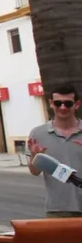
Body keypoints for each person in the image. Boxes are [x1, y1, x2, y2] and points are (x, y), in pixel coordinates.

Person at [27, 85, 82, 218]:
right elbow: (35, 172)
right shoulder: (38, 133)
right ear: (51, 103)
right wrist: (35, 156)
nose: (62, 107)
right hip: (58, 209)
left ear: (77, 105)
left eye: (68, 103)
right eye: (58, 103)